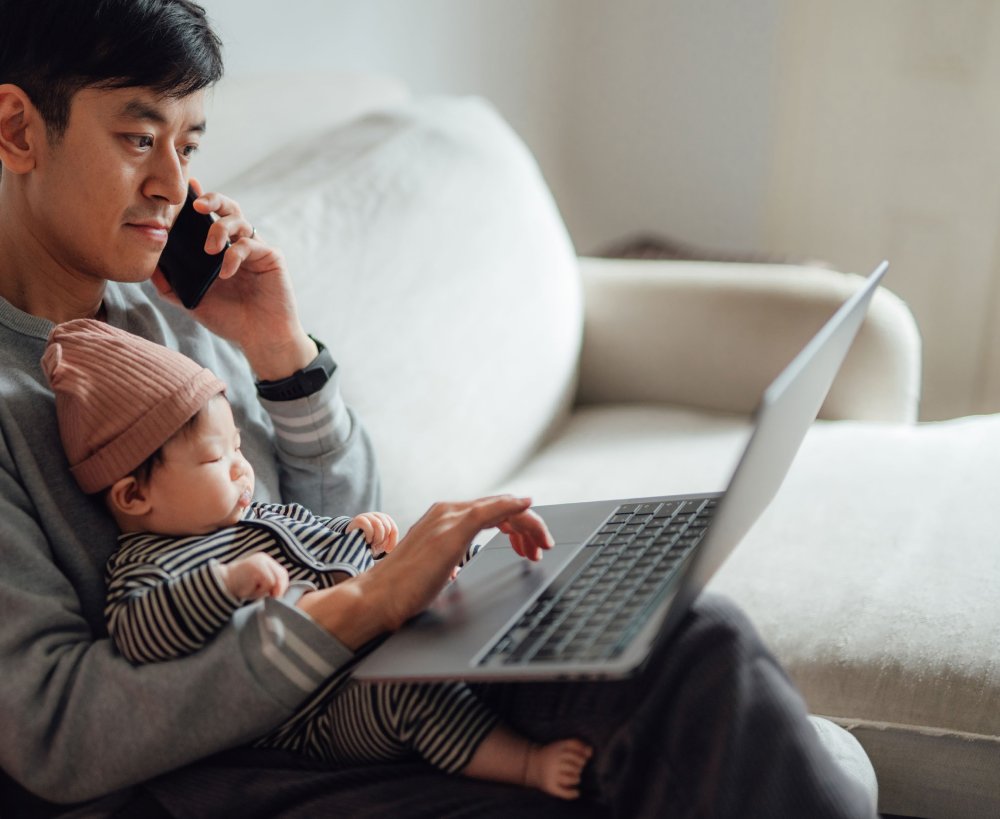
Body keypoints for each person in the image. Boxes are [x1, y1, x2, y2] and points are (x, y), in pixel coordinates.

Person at [0, 1, 878, 817]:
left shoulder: (167, 315)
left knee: (688, 638)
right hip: (219, 767)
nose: (170, 185)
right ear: (18, 129)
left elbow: (324, 522)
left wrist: (279, 350)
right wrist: (369, 605)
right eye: (138, 138)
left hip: (364, 671)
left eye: (188, 147)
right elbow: (55, 729)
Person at [41, 318, 594, 800]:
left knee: (470, 566)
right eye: (215, 457)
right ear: (134, 497)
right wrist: (225, 587)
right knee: (412, 698)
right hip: (322, 712)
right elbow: (141, 632)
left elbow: (318, 537)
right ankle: (524, 763)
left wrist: (361, 533)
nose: (241, 468)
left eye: (237, 447)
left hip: (385, 641)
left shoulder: (255, 517)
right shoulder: (147, 565)